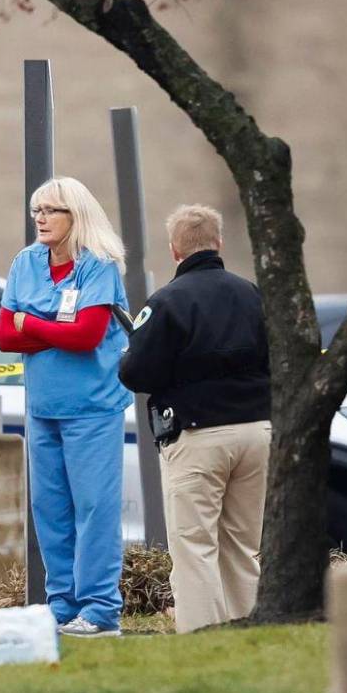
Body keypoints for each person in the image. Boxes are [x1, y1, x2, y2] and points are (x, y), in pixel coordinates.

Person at [118, 204, 271, 633]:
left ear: (174, 250)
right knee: (243, 545)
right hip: (256, 431)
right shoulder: (252, 293)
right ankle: (250, 632)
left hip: (197, 435)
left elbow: (135, 373)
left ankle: (203, 636)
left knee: (194, 545)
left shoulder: (167, 302)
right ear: (219, 242)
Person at [0, 177, 132, 638]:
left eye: (51, 210)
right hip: (43, 407)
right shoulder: (25, 262)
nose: (40, 218)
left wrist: (30, 322)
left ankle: (100, 609)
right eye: (37, 210)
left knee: (93, 509)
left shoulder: (99, 266)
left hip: (92, 408)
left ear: (77, 216)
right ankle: (62, 605)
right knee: (50, 509)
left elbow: (86, 336)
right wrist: (54, 327)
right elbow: (5, 336)